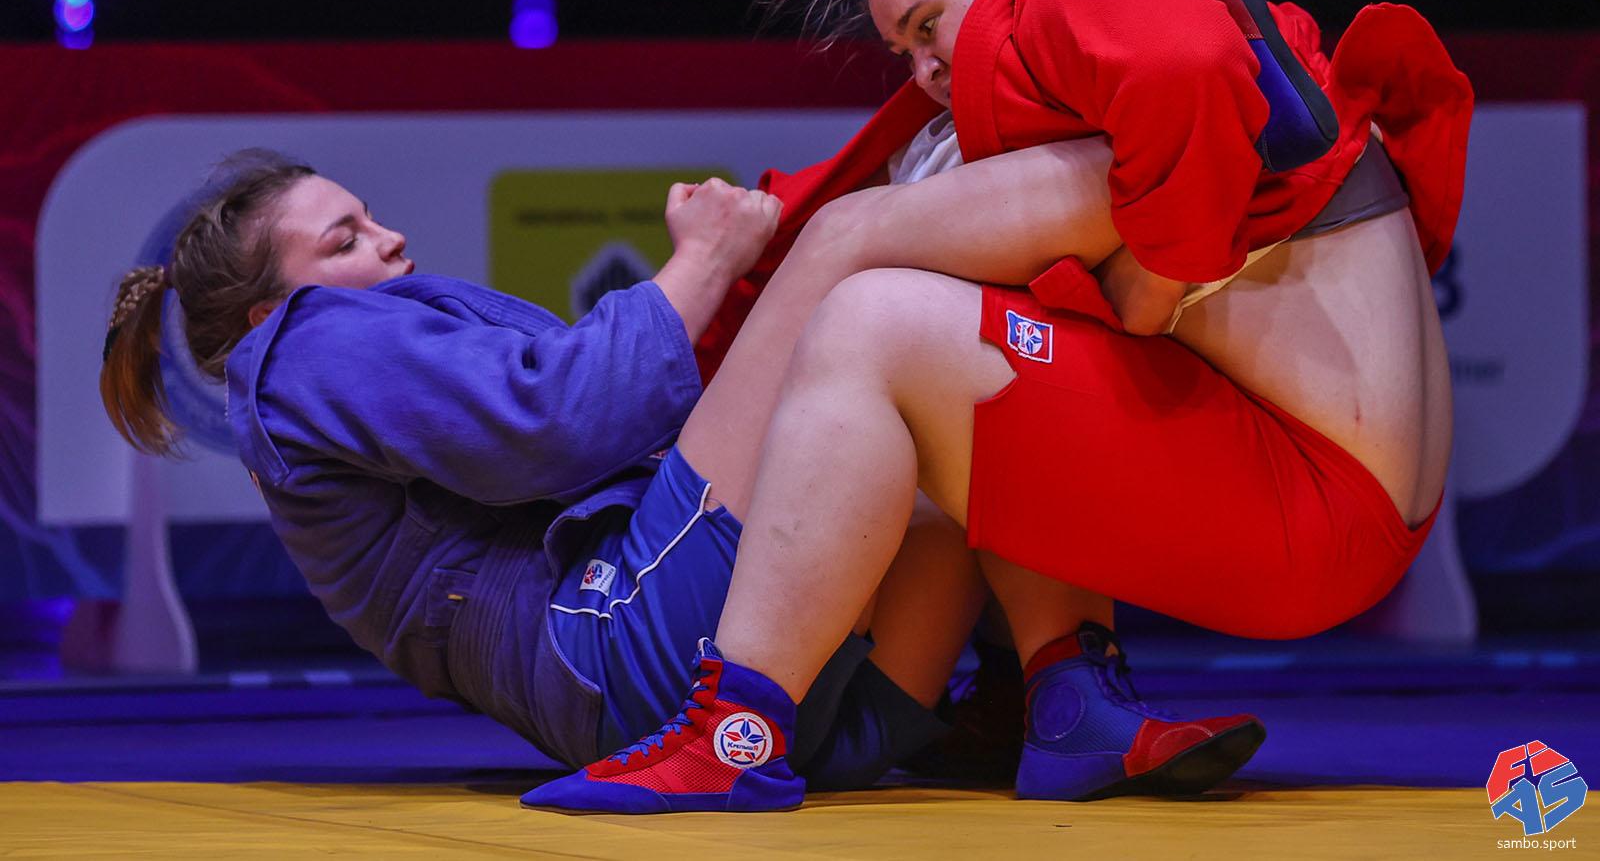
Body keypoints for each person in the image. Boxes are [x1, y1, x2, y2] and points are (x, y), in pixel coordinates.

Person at [522, 0, 1471, 813]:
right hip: (1341, 501)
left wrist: (1154, 279)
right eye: (901, 52)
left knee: (869, 319)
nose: (925, 70)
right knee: (985, 332)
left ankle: (735, 734)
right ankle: (1065, 698)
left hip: (1317, 495)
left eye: (929, 25)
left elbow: (1189, 67)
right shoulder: (1113, 40)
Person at [100, 150, 1257, 799]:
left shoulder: (329, 352)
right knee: (847, 250)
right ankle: (1198, 161)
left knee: (965, 394)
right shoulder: (299, 347)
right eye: (343, 240)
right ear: (266, 309)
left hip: (820, 713)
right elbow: (559, 420)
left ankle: (1048, 696)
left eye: (369, 216)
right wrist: (703, 257)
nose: (389, 239)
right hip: (633, 663)